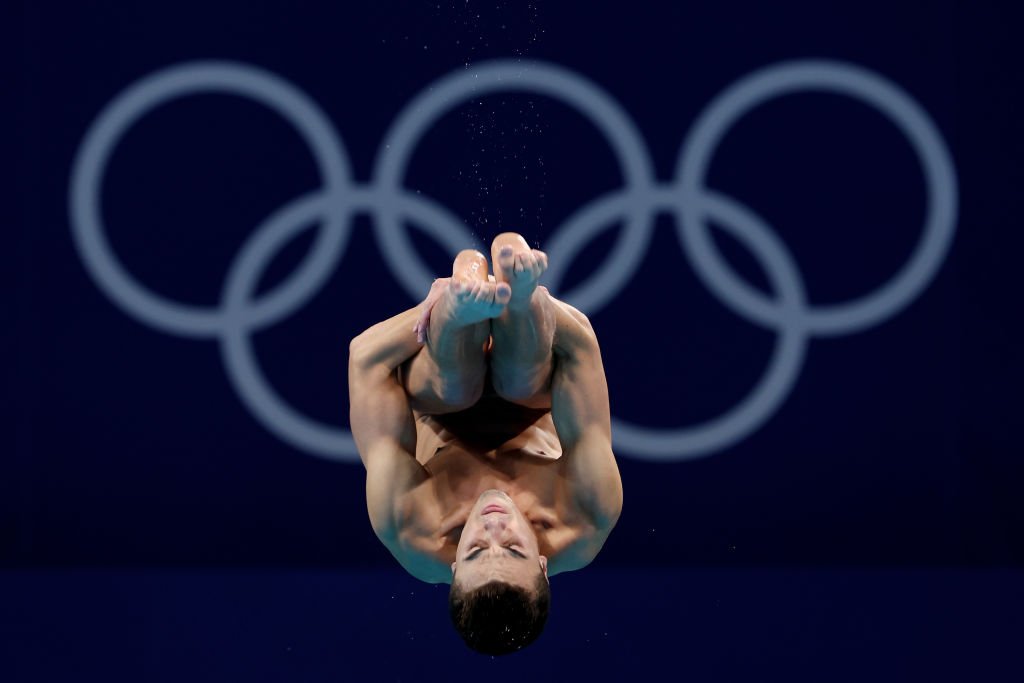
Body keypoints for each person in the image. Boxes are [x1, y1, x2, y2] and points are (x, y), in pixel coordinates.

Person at [348, 232, 623, 654]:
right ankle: (515, 291)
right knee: (521, 374)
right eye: (513, 546)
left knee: (456, 385)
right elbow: (580, 348)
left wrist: (431, 310)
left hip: (440, 402)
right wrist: (536, 308)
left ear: (454, 567)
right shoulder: (587, 515)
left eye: (475, 549)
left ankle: (463, 304)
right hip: (532, 399)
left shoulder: (408, 526)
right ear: (543, 566)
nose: (494, 527)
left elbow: (366, 359)